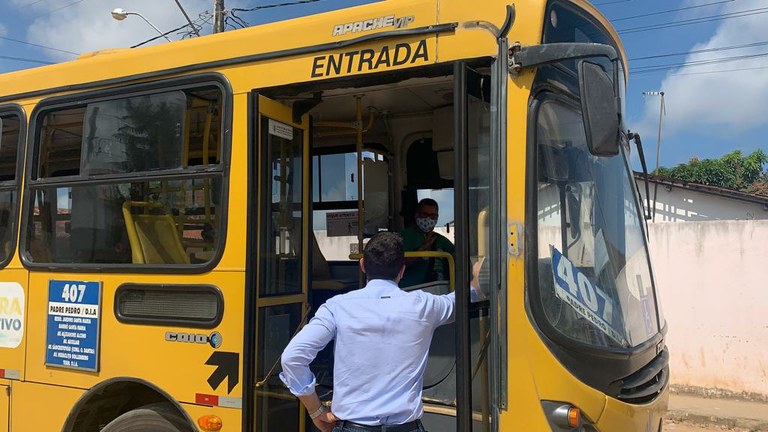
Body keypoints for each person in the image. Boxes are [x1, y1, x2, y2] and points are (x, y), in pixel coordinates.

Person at [279, 232, 482, 432]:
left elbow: (292, 357)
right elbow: (466, 298)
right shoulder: (425, 306)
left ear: (362, 266)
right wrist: (478, 276)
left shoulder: (336, 307)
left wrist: (316, 411)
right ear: (402, 271)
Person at [399, 198, 455, 288]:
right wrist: (422, 249)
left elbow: (457, 257)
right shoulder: (405, 236)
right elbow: (400, 264)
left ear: (437, 217)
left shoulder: (441, 240)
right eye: (425, 214)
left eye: (432, 216)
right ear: (417, 215)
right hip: (412, 290)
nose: (428, 219)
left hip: (441, 288)